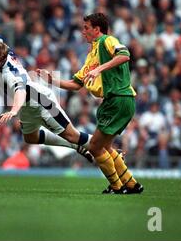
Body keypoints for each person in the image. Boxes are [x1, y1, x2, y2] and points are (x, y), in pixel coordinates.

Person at [38, 12, 144, 194]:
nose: (82, 31)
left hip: (118, 98)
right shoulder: (92, 55)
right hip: (116, 101)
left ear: (97, 29)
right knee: (105, 147)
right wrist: (52, 80)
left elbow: (125, 55)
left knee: (94, 146)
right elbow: (76, 84)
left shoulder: (107, 41)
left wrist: (100, 69)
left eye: (86, 28)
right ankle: (132, 184)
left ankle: (116, 186)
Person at [0, 31, 94, 164]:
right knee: (31, 138)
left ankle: (109, 148)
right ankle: (76, 146)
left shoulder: (11, 73)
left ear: (2, 60)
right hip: (27, 105)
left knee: (72, 135)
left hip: (41, 100)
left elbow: (20, 91)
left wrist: (14, 111)